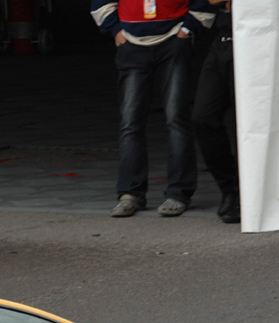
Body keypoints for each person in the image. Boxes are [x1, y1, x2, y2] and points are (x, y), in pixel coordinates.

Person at [91, 0, 216, 218]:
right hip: (132, 43)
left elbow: (206, 1)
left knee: (176, 119)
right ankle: (130, 193)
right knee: (131, 122)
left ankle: (179, 193)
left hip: (173, 40)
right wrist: (116, 30)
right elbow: (99, 2)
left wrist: (187, 30)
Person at [193, 0, 239, 223]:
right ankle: (229, 188)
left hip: (255, 35)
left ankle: (244, 193)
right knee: (203, 118)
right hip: (222, 38)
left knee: (247, 123)